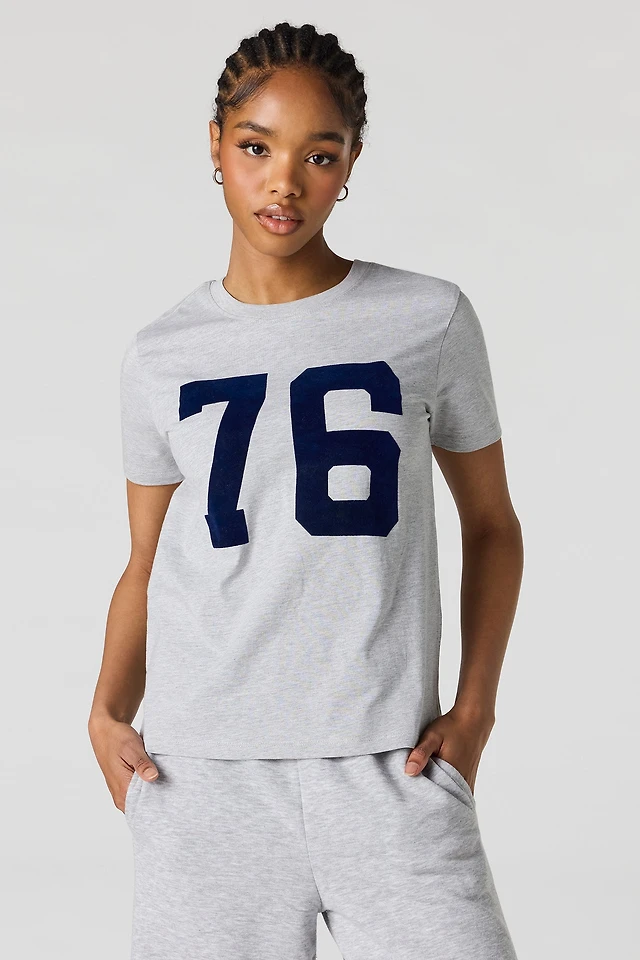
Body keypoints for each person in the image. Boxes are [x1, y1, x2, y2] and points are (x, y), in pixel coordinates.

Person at [88, 20, 524, 960]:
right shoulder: (160, 355)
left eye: (318, 155)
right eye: (257, 148)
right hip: (203, 782)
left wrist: (475, 710)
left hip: (393, 770)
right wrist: (105, 712)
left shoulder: (429, 319)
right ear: (216, 146)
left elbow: (492, 525)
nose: (284, 181)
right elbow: (145, 561)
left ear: (351, 161)